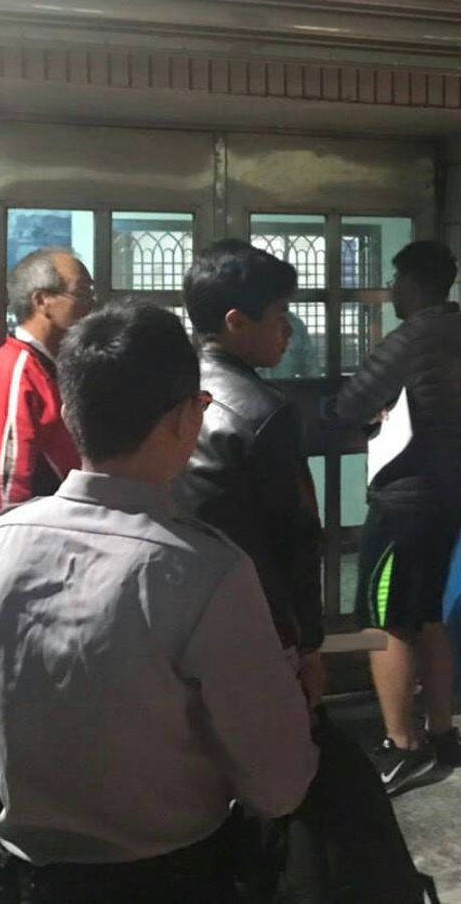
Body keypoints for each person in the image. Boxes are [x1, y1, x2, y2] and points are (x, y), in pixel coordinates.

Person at [0, 302, 318, 900]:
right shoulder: (205, 572)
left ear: (69, 413)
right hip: (167, 879)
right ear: (183, 418)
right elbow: (279, 784)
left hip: (18, 879)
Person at [326, 239, 461, 795]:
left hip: (404, 502)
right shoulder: (456, 333)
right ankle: (442, 733)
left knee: (384, 618)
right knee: (427, 613)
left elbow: (348, 404)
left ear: (413, 285)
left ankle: (402, 747)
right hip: (447, 494)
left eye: (395, 282)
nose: (391, 291)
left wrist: (356, 415)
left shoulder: (412, 338)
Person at [175, 239, 325, 708]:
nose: (289, 330)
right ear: (236, 321)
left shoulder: (173, 391)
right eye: (280, 315)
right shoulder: (263, 412)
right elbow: (296, 536)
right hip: (255, 616)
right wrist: (309, 642)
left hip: (178, 608)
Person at [0, 247, 93, 536]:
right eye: (82, 293)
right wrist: (4, 552)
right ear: (42, 301)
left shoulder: (52, 367)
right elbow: (0, 492)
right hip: (25, 546)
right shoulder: (12, 373)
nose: (91, 305)